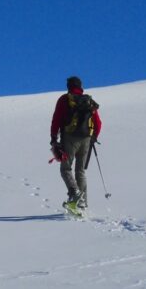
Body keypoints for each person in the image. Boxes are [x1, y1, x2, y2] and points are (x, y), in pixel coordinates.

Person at [50, 76, 102, 210]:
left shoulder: (64, 99)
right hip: (86, 139)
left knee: (65, 168)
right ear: (80, 86)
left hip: (70, 138)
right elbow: (98, 123)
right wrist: (93, 137)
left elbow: (56, 119)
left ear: (69, 86)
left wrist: (54, 137)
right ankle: (82, 202)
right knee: (81, 171)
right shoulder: (88, 101)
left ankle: (74, 193)